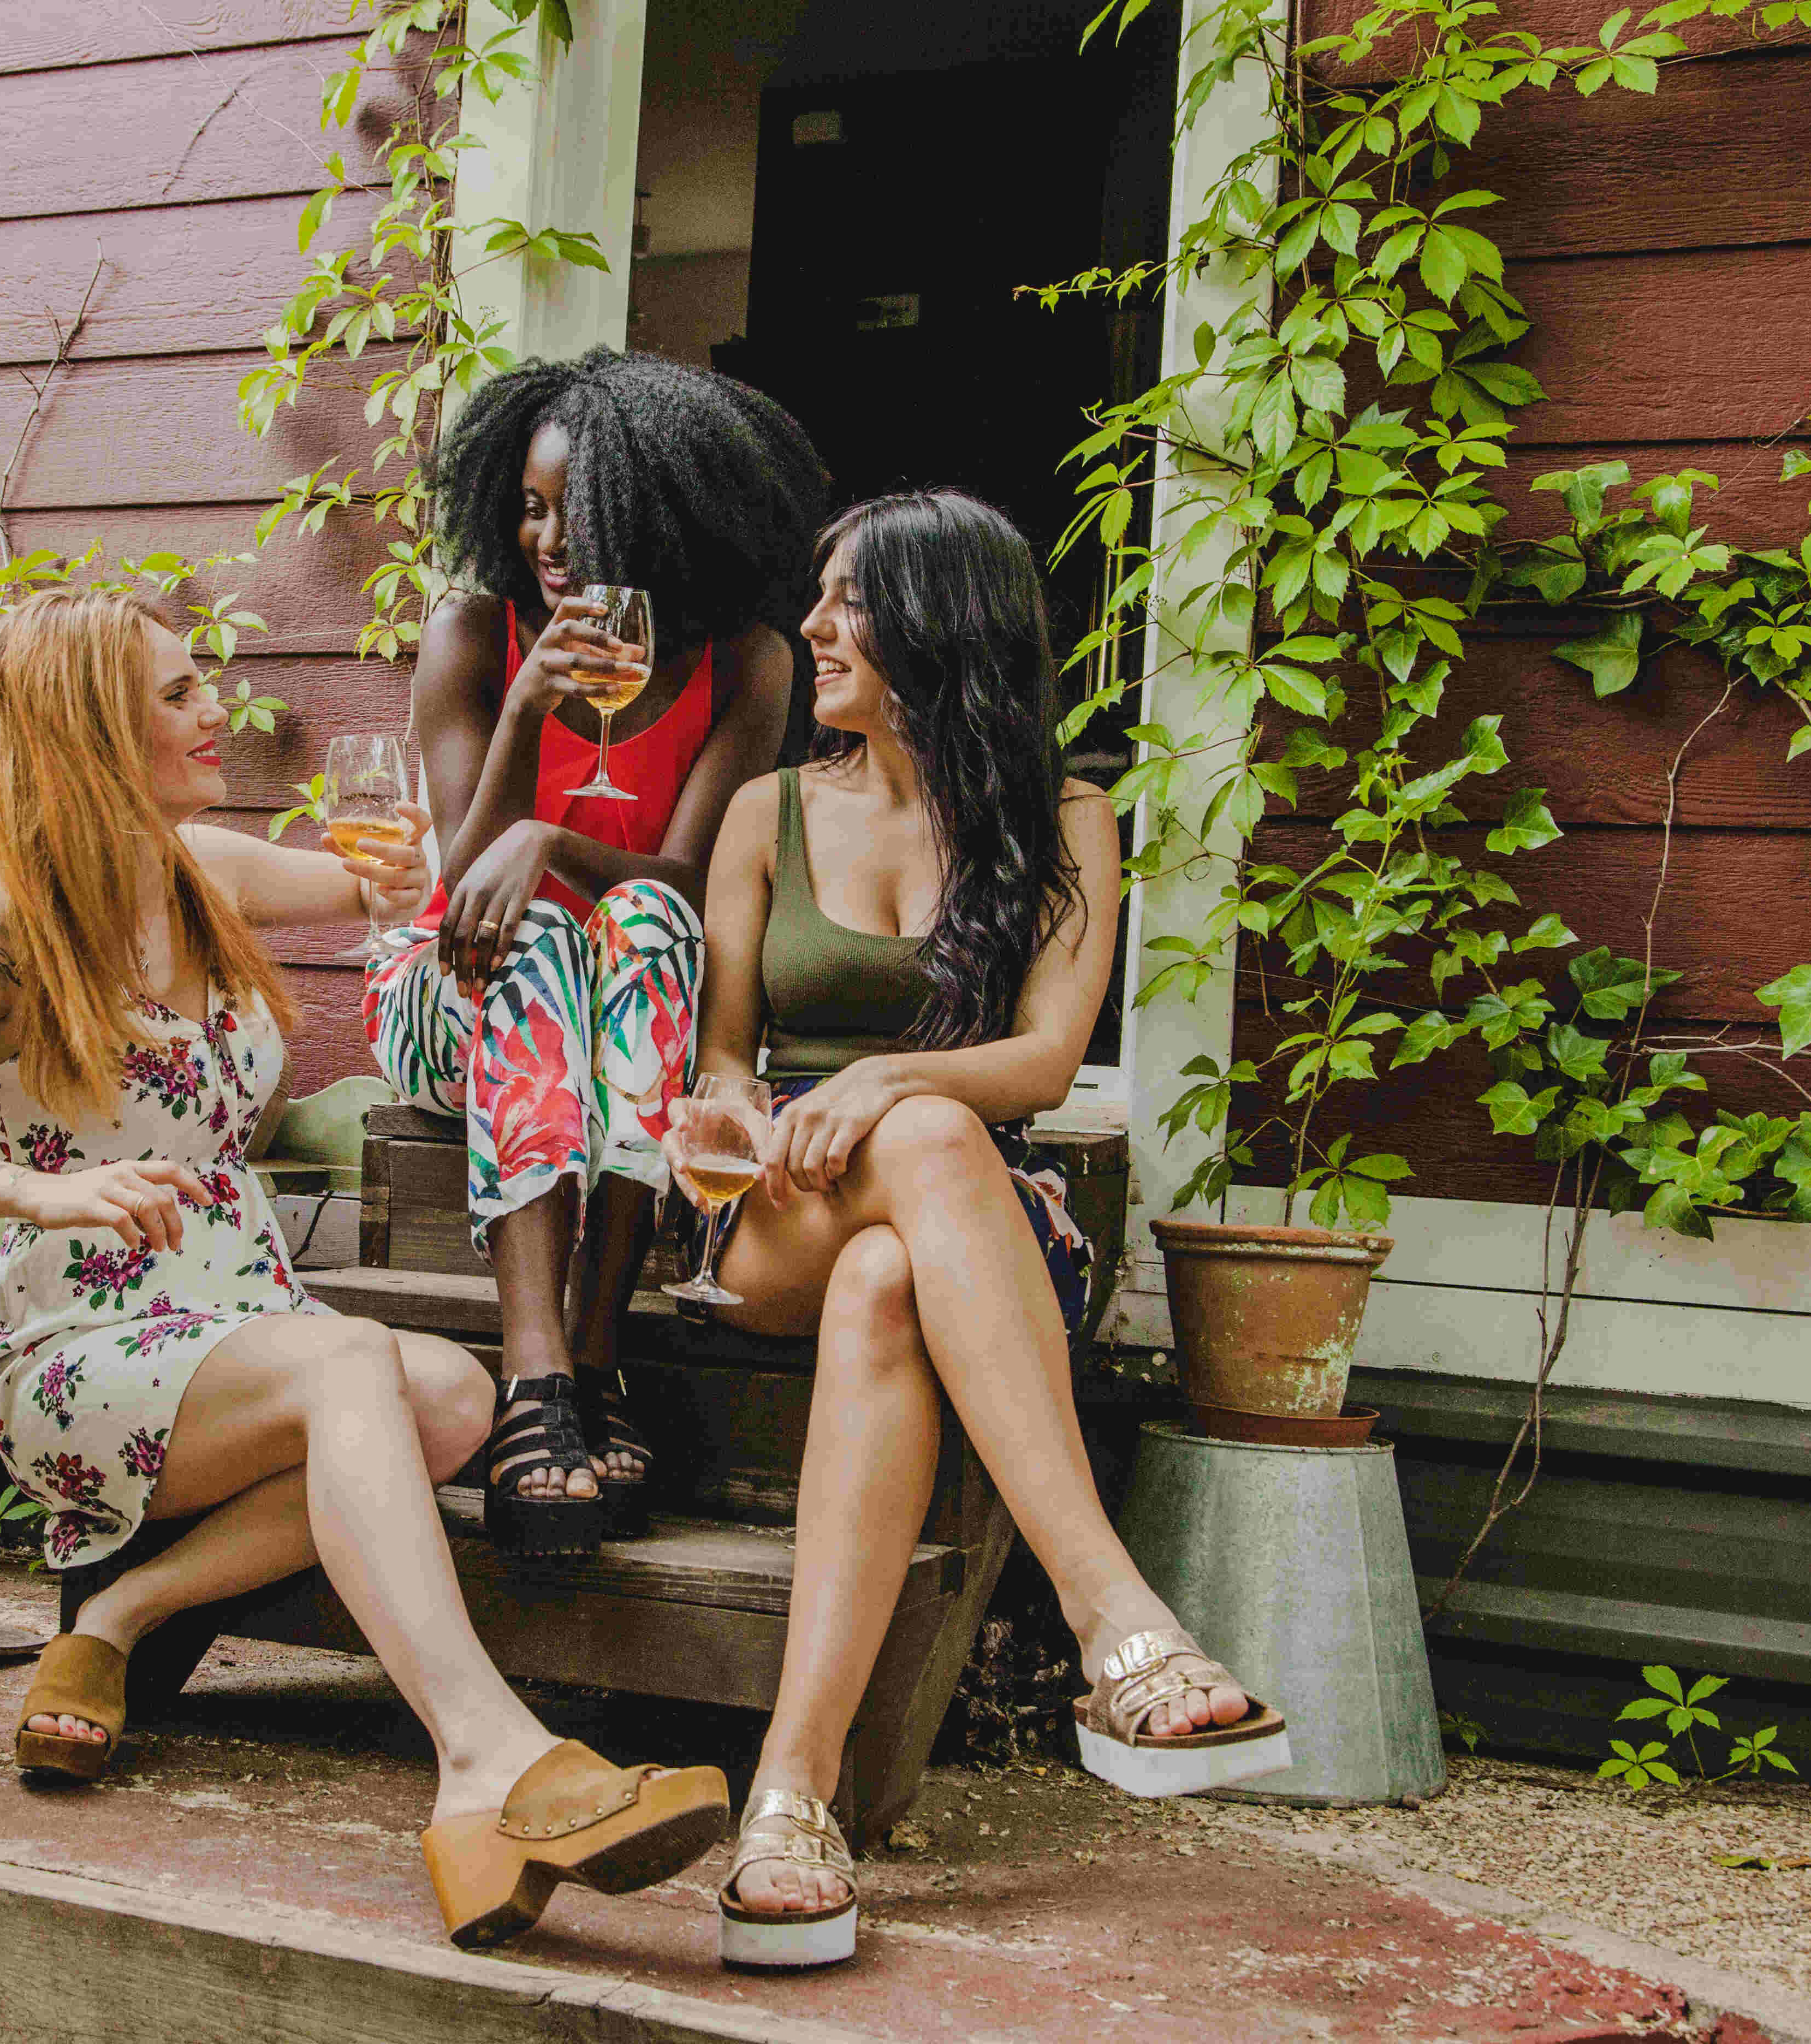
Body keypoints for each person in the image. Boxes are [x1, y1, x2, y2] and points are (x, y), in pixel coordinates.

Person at [0, 588, 731, 1950]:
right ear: (87, 723)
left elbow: (407, 875)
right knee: (357, 1361)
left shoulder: (206, 876)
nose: (212, 707)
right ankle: (486, 1762)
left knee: (456, 1401)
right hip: (83, 1349)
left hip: (240, 1320)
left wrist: (454, 821)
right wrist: (37, 1188)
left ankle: (121, 1610)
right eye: (177, 694)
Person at [666, 491, 1291, 1971]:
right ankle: (1114, 1618)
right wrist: (735, 1117)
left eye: (849, 603)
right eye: (816, 598)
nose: (813, 628)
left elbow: (1044, 1062)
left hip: (969, 1225)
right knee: (905, 1183)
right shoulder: (767, 813)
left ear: (943, 625)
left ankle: (791, 1796)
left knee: (900, 1260)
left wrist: (889, 1078)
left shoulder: (1067, 815)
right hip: (778, 1216)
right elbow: (725, 1055)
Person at [368, 348, 830, 1557]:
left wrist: (555, 844)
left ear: (659, 509)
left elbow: (693, 880)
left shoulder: (749, 661)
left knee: (643, 921)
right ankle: (541, 1377)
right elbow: (464, 892)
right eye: (527, 506)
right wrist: (526, 709)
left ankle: (595, 1349)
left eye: (578, 509)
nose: (547, 538)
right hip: (452, 995)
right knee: (536, 933)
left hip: (631, 985)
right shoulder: (476, 630)